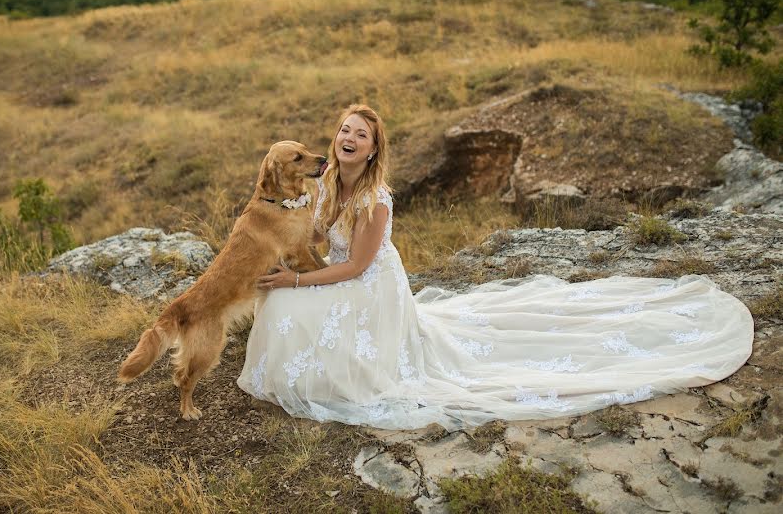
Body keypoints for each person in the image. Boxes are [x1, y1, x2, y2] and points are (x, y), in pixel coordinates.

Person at [236, 104, 753, 430]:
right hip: (341, 273)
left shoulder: (377, 199)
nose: (349, 138)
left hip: (369, 285)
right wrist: (290, 224)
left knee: (287, 301)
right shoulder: (325, 183)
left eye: (361, 135)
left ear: (372, 152)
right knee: (280, 300)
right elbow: (324, 238)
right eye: (344, 130)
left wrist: (300, 277)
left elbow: (353, 268)